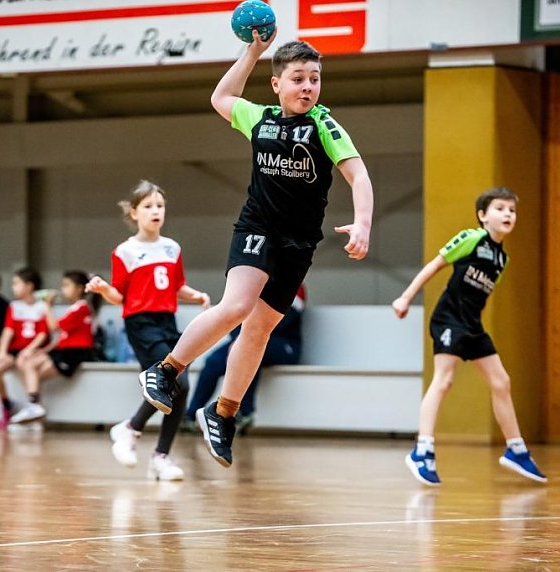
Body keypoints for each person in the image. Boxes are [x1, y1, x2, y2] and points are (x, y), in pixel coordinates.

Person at [134, 34, 373, 468]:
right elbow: (221, 96)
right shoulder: (258, 118)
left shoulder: (325, 126)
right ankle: (166, 371)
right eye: (298, 79)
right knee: (237, 306)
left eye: (315, 79)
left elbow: (359, 176)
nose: (307, 87)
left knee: (260, 328)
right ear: (277, 84)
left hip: (299, 244)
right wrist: (251, 53)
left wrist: (363, 223)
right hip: (258, 227)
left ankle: (222, 413)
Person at [392, 187, 547, 486]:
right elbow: (435, 266)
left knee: (502, 382)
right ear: (482, 215)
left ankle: (516, 450)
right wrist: (405, 297)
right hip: (448, 319)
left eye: (511, 210)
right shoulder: (471, 238)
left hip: (472, 325)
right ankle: (422, 451)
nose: (507, 214)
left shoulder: (502, 259)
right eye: (500, 208)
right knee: (444, 380)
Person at [87, 180, 211, 481]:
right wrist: (104, 290)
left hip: (168, 321)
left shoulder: (172, 248)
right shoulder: (125, 252)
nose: (156, 211)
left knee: (179, 388)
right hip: (141, 323)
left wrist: (196, 296)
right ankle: (132, 429)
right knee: (176, 382)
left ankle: (158, 454)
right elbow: (120, 295)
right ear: (134, 213)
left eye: (160, 205)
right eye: (148, 206)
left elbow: (175, 286)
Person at [184, 284, 305, 432]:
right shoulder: (252, 279)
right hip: (248, 338)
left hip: (284, 344)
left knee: (251, 351)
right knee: (213, 362)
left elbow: (281, 322)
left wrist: (244, 341)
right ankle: (190, 416)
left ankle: (245, 412)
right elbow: (235, 316)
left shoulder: (296, 284)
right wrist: (239, 341)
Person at [8, 270, 97, 426]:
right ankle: (33, 411)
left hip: (74, 353)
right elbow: (63, 336)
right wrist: (44, 350)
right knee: (32, 373)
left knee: (31, 370)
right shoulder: (76, 308)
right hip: (64, 350)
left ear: (79, 288)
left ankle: (34, 407)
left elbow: (53, 327)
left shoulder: (81, 308)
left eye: (66, 285)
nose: (63, 290)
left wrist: (47, 305)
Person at [0, 268, 49, 430]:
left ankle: (32, 408)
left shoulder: (42, 307)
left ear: (29, 286)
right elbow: (8, 331)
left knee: (25, 363)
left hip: (32, 350)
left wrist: (30, 349)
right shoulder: (14, 306)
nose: (13, 287)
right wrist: (2, 352)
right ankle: (6, 404)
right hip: (14, 350)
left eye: (16, 283)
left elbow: (43, 333)